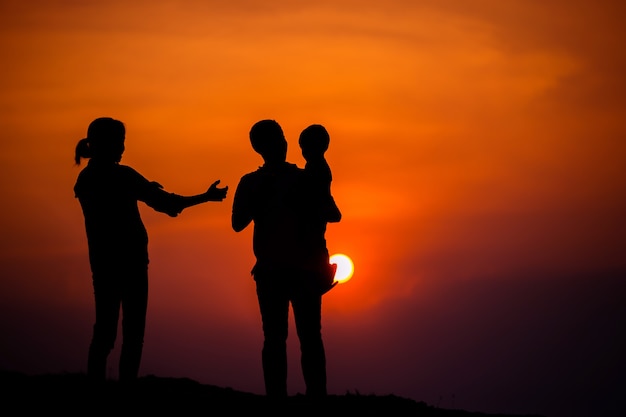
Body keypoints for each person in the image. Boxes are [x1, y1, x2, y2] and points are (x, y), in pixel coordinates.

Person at [73, 117, 228, 383]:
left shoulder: (86, 178)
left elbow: (161, 202)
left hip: (102, 264)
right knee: (132, 334)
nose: (122, 148)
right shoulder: (121, 176)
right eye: (119, 142)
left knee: (105, 332)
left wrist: (145, 188)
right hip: (130, 263)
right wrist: (205, 197)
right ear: (107, 143)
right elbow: (167, 204)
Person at [231, 119, 334, 399]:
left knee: (308, 337)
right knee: (278, 338)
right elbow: (237, 222)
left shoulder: (304, 177)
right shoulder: (251, 182)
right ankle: (277, 397)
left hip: (301, 270)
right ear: (259, 148)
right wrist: (261, 199)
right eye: (276, 140)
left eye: (282, 138)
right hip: (273, 271)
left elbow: (330, 213)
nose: (282, 144)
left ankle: (316, 396)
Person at [298, 124, 342, 295]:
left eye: (305, 147)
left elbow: (317, 197)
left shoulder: (317, 169)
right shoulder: (317, 167)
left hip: (313, 231)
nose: (304, 152)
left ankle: (320, 274)